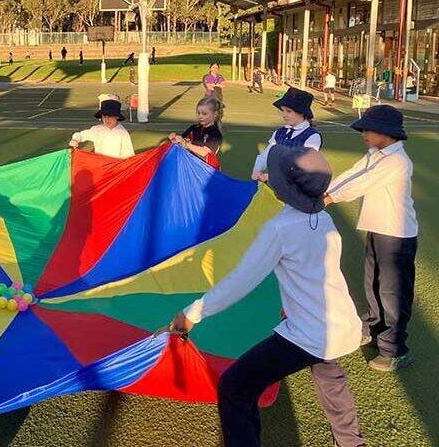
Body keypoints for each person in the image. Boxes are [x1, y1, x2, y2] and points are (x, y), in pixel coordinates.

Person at [169, 146, 365, 447]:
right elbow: (316, 273)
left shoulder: (280, 228)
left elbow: (241, 280)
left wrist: (194, 312)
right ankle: (352, 441)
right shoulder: (324, 220)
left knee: (235, 387)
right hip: (341, 326)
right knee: (329, 375)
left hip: (310, 332)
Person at [324, 105, 417, 372]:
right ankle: (376, 331)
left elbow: (361, 184)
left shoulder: (397, 161)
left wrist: (329, 198)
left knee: (393, 292)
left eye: (368, 128)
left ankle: (396, 349)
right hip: (377, 229)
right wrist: (324, 191)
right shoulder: (374, 154)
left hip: (397, 234)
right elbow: (352, 175)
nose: (363, 133)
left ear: (387, 133)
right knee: (373, 284)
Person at [251, 87, 321, 182]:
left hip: (298, 189)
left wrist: (271, 176)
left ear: (301, 112)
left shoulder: (312, 137)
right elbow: (266, 155)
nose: (284, 115)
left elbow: (302, 167)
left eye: (288, 111)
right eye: (283, 111)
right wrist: (256, 170)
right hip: (277, 185)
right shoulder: (279, 132)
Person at [168, 97, 223, 169]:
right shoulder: (194, 128)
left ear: (215, 114)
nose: (200, 116)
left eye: (204, 114)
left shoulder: (215, 134)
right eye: (198, 113)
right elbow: (182, 140)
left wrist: (185, 143)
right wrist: (174, 139)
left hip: (207, 170)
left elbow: (204, 152)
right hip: (192, 165)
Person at [69, 98, 134, 159]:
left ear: (117, 117)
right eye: (104, 117)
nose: (107, 119)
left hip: (114, 165)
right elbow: (80, 135)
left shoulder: (123, 133)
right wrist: (75, 140)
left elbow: (129, 155)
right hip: (100, 164)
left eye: (110, 116)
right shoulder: (97, 129)